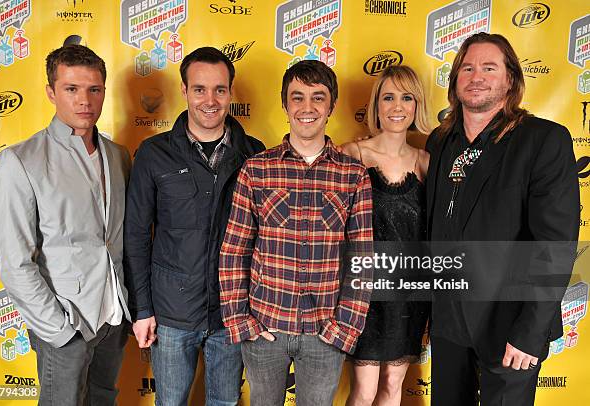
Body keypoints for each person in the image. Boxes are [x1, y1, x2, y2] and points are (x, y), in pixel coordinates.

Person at [425, 32, 579, 405]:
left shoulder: (543, 140)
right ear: (455, 79)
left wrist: (530, 331)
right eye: (467, 68)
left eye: (489, 67)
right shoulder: (440, 142)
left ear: (510, 79)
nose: (476, 76)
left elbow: (555, 245)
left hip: (510, 322)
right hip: (448, 321)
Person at [219, 60, 374, 406]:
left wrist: (342, 329)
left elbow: (362, 260)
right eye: (298, 97)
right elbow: (234, 249)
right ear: (285, 104)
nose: (307, 108)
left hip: (325, 333)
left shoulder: (353, 175)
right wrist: (241, 321)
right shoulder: (257, 169)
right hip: (265, 328)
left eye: (318, 98)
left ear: (331, 105)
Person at [123, 46, 265, 406]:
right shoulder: (154, 153)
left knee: (225, 402)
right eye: (199, 89)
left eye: (220, 89)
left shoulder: (254, 153)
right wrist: (142, 310)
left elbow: (267, 238)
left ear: (231, 93)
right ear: (184, 91)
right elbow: (137, 236)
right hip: (172, 314)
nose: (210, 100)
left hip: (233, 310)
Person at [0, 44, 131, 406]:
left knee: (104, 399)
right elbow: (13, 261)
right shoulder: (20, 161)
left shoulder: (118, 155)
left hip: (113, 317)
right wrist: (58, 330)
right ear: (51, 92)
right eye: (72, 89)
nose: (84, 100)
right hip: (66, 324)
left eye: (94, 89)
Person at [341, 65, 431, 406]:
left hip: (408, 296)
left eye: (406, 98)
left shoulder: (426, 162)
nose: (397, 106)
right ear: (376, 105)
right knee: (363, 391)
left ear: (416, 105)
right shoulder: (354, 155)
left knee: (393, 389)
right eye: (388, 97)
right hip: (363, 295)